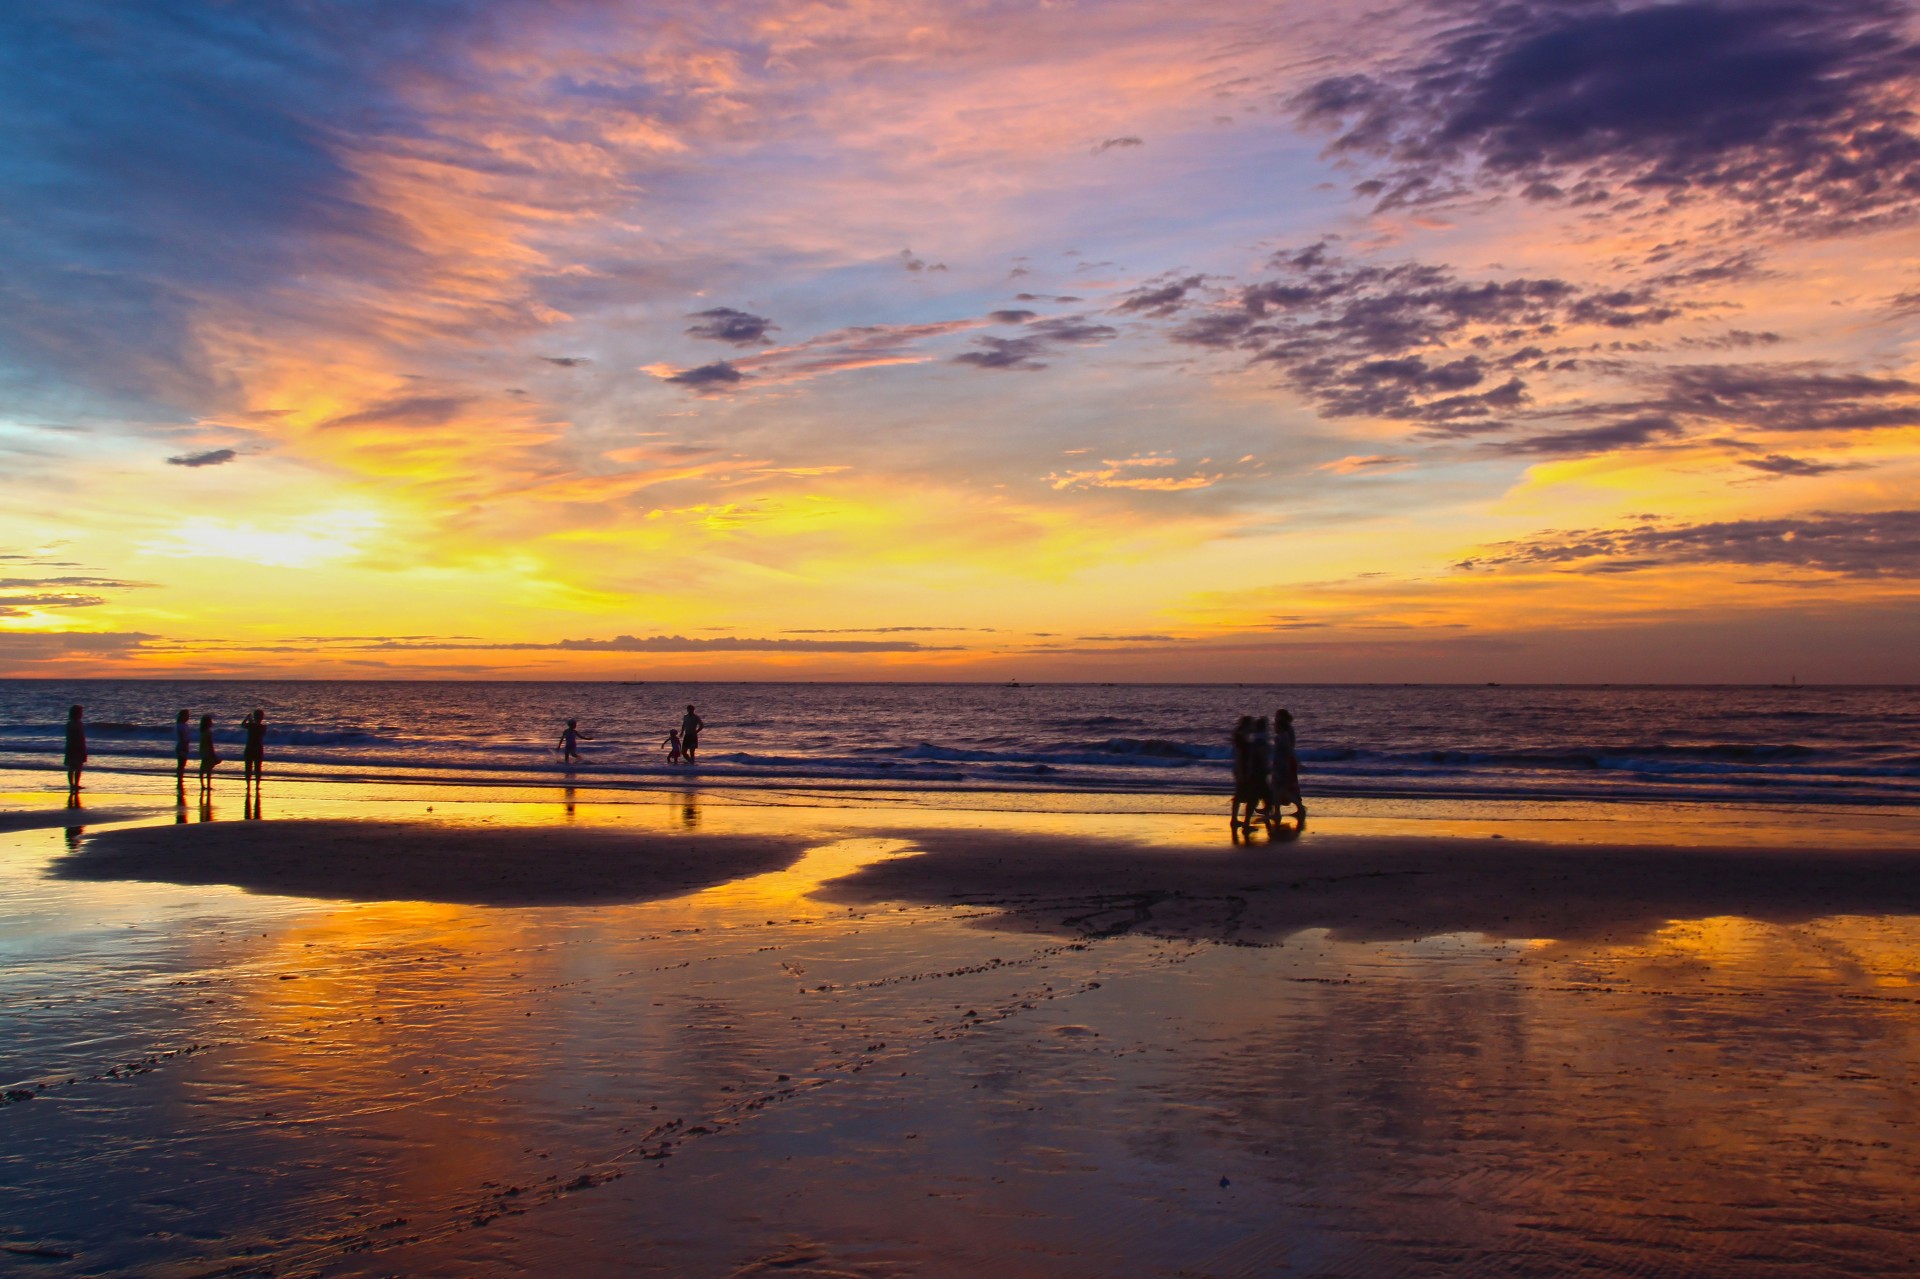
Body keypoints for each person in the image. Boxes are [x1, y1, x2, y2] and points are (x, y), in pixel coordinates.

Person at [1271, 707, 1304, 819]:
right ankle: (1275, 811)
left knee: (1281, 789)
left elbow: (1289, 749)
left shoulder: (1284, 734)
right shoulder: (1283, 734)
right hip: (1282, 763)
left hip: (1283, 764)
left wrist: (1296, 762)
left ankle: (1279, 812)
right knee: (1280, 789)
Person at [63, 704, 86, 792]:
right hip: (77, 747)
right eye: (81, 712)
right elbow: (81, 737)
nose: (82, 714)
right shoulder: (78, 724)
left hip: (70, 747)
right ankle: (74, 784)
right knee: (77, 767)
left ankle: (73, 785)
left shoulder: (69, 724)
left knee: (72, 767)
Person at [242, 709, 266, 784]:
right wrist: (251, 721)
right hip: (258, 749)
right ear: (262, 717)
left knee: (248, 768)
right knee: (258, 768)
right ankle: (257, 785)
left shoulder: (251, 725)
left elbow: (242, 725)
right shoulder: (263, 727)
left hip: (249, 748)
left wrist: (247, 718)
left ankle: (248, 785)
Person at [197, 714, 221, 789]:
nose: (211, 723)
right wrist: (214, 754)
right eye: (210, 721)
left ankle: (202, 785)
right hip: (208, 752)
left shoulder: (202, 732)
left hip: (202, 751)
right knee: (209, 769)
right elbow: (210, 744)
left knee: (203, 768)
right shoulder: (208, 732)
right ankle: (207, 785)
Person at [174, 709, 192, 782]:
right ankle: (179, 777)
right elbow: (181, 736)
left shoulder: (185, 725)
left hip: (184, 745)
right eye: (186, 716)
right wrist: (185, 742)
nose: (188, 717)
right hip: (181, 746)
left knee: (183, 763)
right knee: (181, 763)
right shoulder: (180, 725)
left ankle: (180, 776)